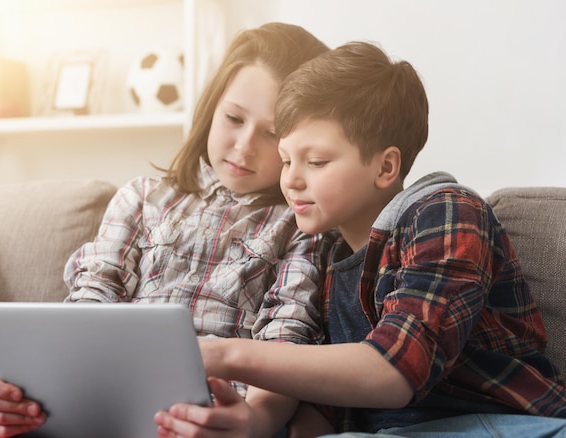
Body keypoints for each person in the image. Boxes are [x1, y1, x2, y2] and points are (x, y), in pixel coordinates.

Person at [154, 41, 566, 437]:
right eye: (286, 159)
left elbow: (395, 368)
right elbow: (327, 397)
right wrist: (257, 424)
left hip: (500, 424)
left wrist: (225, 354)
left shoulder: (446, 213)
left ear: (386, 167)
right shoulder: (329, 255)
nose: (291, 179)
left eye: (315, 161)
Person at [0, 22, 334, 438]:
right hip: (104, 403)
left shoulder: (302, 225)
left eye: (271, 133)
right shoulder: (141, 199)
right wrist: (25, 395)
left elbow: (286, 342)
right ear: (210, 109)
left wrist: (256, 422)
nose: (244, 145)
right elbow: (88, 304)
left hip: (211, 418)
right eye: (233, 118)